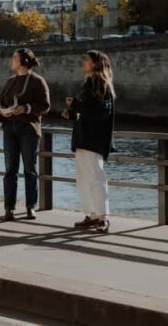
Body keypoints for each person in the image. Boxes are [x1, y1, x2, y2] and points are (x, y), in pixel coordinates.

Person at [62, 50, 116, 233]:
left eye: (86, 59)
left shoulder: (102, 85)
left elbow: (101, 112)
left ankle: (103, 216)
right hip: (83, 138)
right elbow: (87, 112)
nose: (83, 62)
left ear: (95, 63)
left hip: (93, 139)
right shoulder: (89, 85)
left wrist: (77, 106)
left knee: (95, 177)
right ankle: (92, 214)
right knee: (84, 178)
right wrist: (72, 113)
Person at [0, 48, 51, 221]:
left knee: (30, 168)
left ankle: (31, 207)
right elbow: (0, 103)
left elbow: (45, 106)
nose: (12, 60)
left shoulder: (37, 81)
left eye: (14, 57)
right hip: (10, 128)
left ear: (24, 61)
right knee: (10, 169)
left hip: (28, 128)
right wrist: (4, 113)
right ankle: (9, 208)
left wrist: (26, 108)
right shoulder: (10, 82)